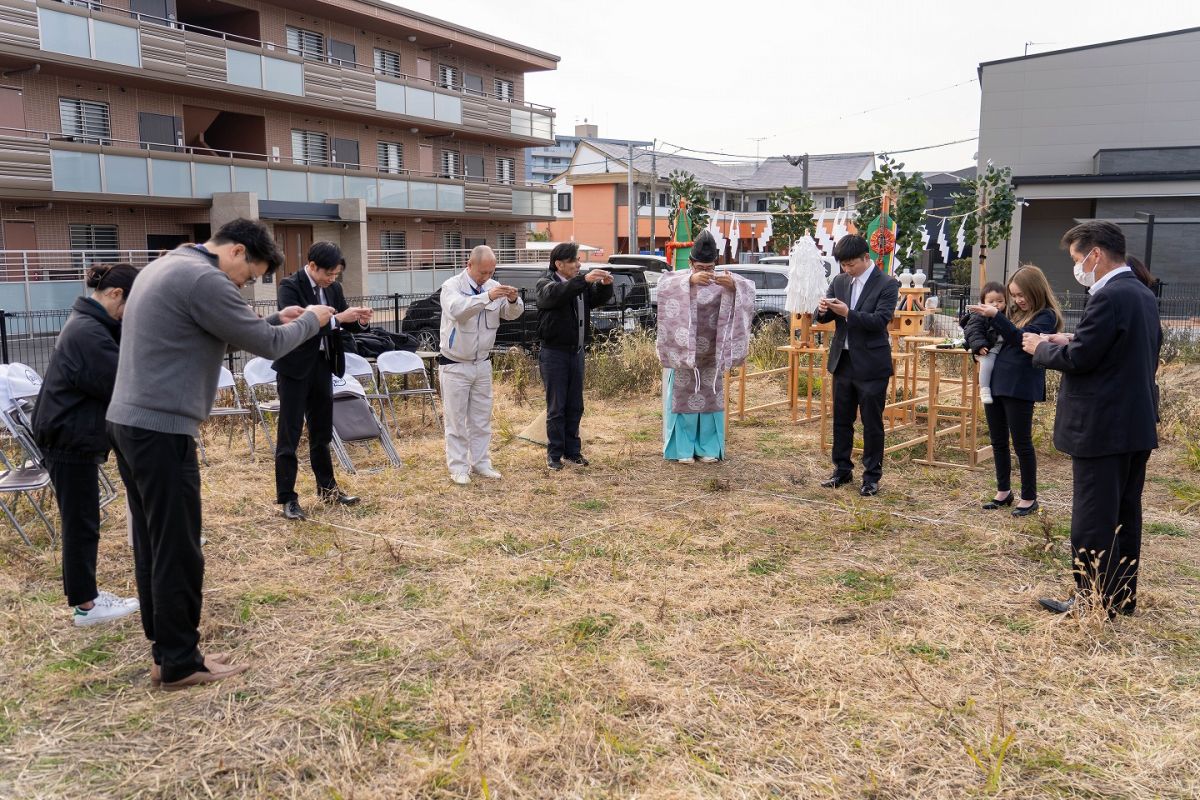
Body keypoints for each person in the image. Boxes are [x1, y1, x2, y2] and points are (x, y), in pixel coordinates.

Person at [107, 219, 334, 690]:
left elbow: (218, 330)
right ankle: (180, 663)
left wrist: (274, 318)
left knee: (153, 543)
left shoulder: (171, 265)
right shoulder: (205, 278)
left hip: (131, 421)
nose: (244, 286)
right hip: (160, 426)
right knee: (178, 547)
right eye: (249, 276)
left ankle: (167, 650)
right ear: (235, 252)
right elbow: (269, 347)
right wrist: (313, 319)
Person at [1022, 221, 1161, 617]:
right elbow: (1117, 350)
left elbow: (1081, 360)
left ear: (1096, 254)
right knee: (1123, 515)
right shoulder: (1140, 293)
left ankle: (1092, 603)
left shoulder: (1109, 296)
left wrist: (1040, 348)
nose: (1078, 267)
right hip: (1134, 422)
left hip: (1102, 426)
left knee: (1093, 521)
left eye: (1078, 258)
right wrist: (1071, 339)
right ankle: (1120, 597)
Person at [32, 264, 141, 627]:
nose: (132, 315)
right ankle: (86, 607)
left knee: (82, 518)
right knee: (81, 522)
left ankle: (87, 598)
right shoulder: (87, 333)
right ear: (114, 295)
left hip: (70, 432)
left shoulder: (92, 325)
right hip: (67, 435)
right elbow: (122, 380)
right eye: (132, 304)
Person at [273, 243, 372, 520]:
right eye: (329, 273)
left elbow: (341, 322)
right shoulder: (290, 286)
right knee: (289, 434)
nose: (332, 279)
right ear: (313, 266)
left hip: (322, 365)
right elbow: (298, 326)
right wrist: (339, 318)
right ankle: (288, 498)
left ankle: (327, 489)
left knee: (321, 432)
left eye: (336, 275)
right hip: (293, 367)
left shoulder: (333, 289)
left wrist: (359, 320)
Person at [966, 266, 1063, 517]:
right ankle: (1003, 491)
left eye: (1022, 295)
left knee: (1021, 443)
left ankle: (1029, 497)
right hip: (997, 381)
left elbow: (1021, 341)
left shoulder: (1046, 316)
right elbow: (978, 328)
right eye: (1014, 295)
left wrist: (996, 316)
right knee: (997, 440)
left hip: (1020, 384)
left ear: (1036, 290)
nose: (1018, 300)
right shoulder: (1012, 312)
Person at [655, 230, 755, 463]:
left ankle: (708, 448)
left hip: (712, 350)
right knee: (682, 399)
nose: (706, 272)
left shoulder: (724, 280)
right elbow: (663, 287)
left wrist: (733, 287)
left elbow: (748, 289)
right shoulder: (679, 278)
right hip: (685, 350)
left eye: (710, 268)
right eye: (700, 268)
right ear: (690, 263)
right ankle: (682, 450)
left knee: (711, 397)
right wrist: (689, 281)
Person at [816, 234, 900, 497]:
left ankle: (871, 476)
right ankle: (841, 469)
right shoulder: (840, 281)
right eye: (843, 265)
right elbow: (825, 317)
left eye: (851, 264)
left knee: (872, 421)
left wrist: (847, 313)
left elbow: (880, 321)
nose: (846, 269)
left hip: (872, 363)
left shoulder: (887, 284)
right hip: (843, 360)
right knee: (842, 418)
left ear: (867, 258)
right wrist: (822, 310)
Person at [437, 245, 523, 485]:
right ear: (469, 265)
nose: (486, 277)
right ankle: (458, 467)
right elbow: (458, 311)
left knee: (481, 417)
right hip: (455, 363)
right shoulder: (451, 286)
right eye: (482, 272)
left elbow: (511, 313)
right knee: (455, 419)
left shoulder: (493, 287)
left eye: (490, 272)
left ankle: (481, 462)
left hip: (482, 363)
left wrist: (514, 300)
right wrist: (486, 297)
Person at [535, 243, 612, 470]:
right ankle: (555, 454)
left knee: (575, 405)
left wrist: (605, 286)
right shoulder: (546, 284)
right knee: (557, 406)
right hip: (554, 354)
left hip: (576, 352)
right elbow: (556, 296)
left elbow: (596, 299)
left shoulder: (579, 285)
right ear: (559, 264)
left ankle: (573, 452)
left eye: (579, 260)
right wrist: (584, 281)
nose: (579, 265)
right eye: (574, 261)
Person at [959, 281, 1007, 405]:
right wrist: (980, 346)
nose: (996, 305)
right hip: (987, 348)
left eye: (1000, 301)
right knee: (987, 364)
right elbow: (973, 331)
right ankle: (984, 389)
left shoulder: (1007, 314)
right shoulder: (979, 315)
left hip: (1001, 348)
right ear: (983, 302)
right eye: (991, 302)